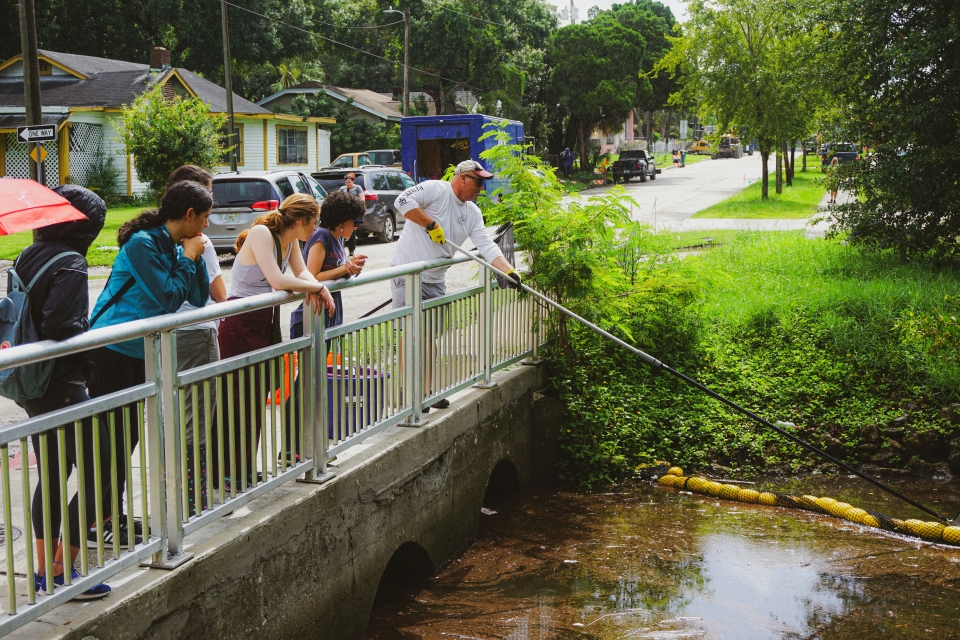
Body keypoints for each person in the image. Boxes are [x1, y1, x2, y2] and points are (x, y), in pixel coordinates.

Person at [87, 181, 212, 547]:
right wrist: (188, 257)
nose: (205, 227)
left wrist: (197, 256)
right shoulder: (143, 244)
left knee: (127, 438)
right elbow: (169, 298)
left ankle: (114, 516)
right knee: (111, 441)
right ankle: (98, 522)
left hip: (137, 352)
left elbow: (198, 298)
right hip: (110, 349)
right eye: (203, 219)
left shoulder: (171, 244)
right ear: (189, 215)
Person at [11, 185, 112, 600]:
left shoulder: (28, 254)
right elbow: (59, 325)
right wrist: (88, 328)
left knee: (53, 472)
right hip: (62, 384)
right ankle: (62, 572)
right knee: (103, 473)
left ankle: (43, 570)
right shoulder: (71, 261)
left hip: (32, 382)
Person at [216, 194, 335, 488]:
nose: (315, 228)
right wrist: (317, 286)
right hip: (240, 322)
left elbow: (302, 271)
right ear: (302, 221)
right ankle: (225, 472)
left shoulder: (291, 239)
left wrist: (318, 287)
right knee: (236, 399)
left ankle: (242, 468)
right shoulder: (261, 233)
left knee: (256, 396)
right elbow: (277, 281)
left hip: (264, 322)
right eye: (315, 222)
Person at [390, 159, 520, 412]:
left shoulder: (472, 212)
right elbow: (402, 202)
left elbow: (487, 246)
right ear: (463, 178)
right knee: (412, 335)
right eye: (479, 182)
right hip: (408, 274)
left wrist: (509, 271)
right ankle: (411, 392)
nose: (481, 188)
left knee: (430, 338)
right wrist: (429, 223)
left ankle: (427, 391)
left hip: (435, 278)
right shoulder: (437, 190)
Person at [165, 165, 227, 517]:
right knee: (198, 420)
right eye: (208, 204)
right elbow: (219, 294)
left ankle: (175, 494)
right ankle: (193, 501)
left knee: (169, 415)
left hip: (166, 335)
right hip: (196, 334)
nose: (208, 218)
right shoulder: (197, 243)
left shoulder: (155, 236)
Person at [285, 191, 367, 452]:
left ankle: (305, 444)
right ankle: (292, 445)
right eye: (355, 221)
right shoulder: (321, 237)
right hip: (311, 318)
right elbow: (314, 275)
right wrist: (346, 268)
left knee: (313, 381)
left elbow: (335, 274)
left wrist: (350, 266)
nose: (356, 227)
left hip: (328, 318)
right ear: (342, 220)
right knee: (305, 383)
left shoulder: (337, 240)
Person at [338, 173, 364, 257]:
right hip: (344, 213)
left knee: (352, 231)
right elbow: (338, 198)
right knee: (341, 230)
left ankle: (351, 250)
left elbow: (362, 199)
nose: (348, 184)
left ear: (353, 181)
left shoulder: (357, 188)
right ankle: (340, 248)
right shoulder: (342, 189)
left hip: (353, 212)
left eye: (349, 182)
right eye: (346, 182)